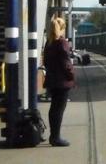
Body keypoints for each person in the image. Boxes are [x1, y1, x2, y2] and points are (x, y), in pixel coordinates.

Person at [43, 18, 75, 147]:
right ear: (63, 28)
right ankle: (55, 138)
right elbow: (66, 64)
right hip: (62, 82)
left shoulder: (49, 42)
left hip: (52, 80)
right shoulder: (62, 43)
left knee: (54, 109)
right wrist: (71, 75)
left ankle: (53, 136)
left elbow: (45, 62)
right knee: (58, 110)